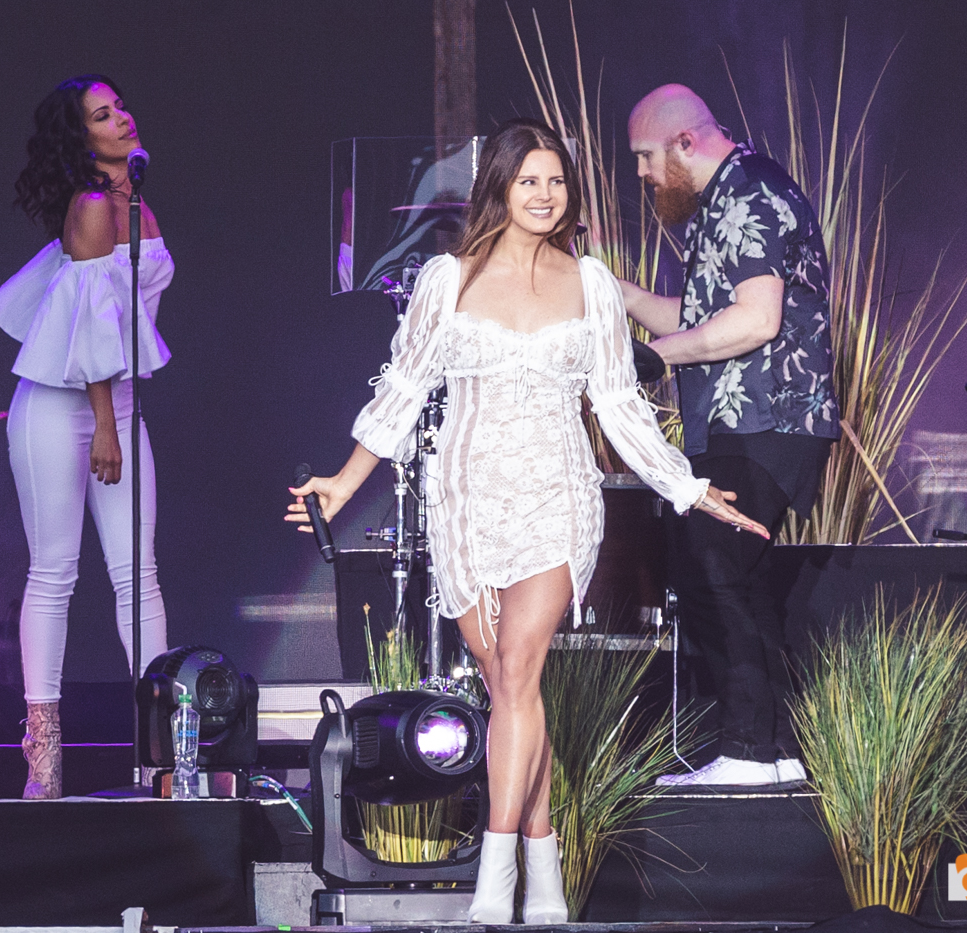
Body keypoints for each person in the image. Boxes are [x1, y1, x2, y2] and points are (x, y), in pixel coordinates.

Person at [287, 118, 767, 923]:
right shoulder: (449, 279)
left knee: (516, 668)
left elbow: (619, 405)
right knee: (514, 687)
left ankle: (493, 880)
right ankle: (545, 869)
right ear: (501, 190)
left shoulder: (592, 285)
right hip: (466, 500)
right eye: (528, 181)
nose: (545, 196)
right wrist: (342, 480)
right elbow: (401, 396)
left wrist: (685, 486)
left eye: (556, 181)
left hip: (556, 495)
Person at [619, 84, 839, 788]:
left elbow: (755, 321)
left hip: (768, 420)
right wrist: (611, 292)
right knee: (722, 568)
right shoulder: (721, 202)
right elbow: (695, 313)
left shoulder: (749, 194)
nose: (644, 174)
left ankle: (748, 751)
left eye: (646, 158)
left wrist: (658, 356)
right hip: (738, 422)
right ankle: (774, 753)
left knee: (709, 559)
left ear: (685, 143)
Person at [0, 74, 172, 799]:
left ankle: (163, 746)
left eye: (120, 104)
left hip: (115, 403)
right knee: (55, 571)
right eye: (102, 114)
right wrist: (103, 426)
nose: (121, 117)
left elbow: (129, 318)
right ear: (81, 137)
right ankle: (44, 754)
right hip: (66, 408)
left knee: (138, 574)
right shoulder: (92, 208)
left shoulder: (140, 202)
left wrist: (117, 414)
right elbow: (93, 326)